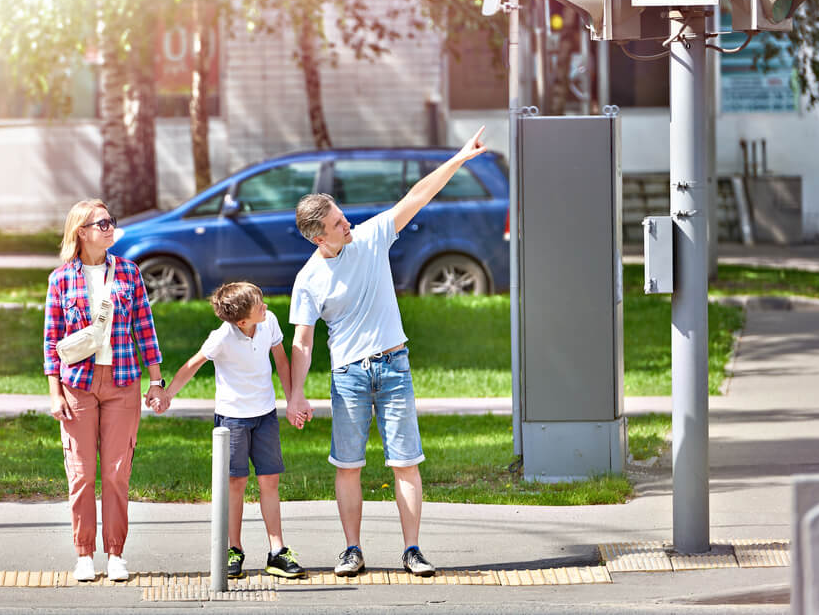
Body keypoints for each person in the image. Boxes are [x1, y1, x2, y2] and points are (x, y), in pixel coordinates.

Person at [286, 127, 488, 578]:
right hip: (348, 376)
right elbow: (302, 341)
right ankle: (351, 550)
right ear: (320, 238)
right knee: (349, 465)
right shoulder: (309, 279)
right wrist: (295, 394)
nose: (348, 223)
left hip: (394, 366)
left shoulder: (373, 235)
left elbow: (417, 195)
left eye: (343, 215)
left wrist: (459, 158)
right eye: (338, 223)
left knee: (405, 463)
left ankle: (413, 549)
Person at [43, 199, 166, 583]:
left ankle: (115, 553)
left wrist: (157, 380)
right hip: (77, 385)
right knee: (80, 474)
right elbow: (51, 341)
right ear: (82, 232)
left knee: (115, 474)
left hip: (122, 381)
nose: (110, 228)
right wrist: (55, 392)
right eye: (102, 223)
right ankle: (84, 554)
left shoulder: (129, 273)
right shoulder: (60, 279)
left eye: (111, 221)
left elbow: (145, 329)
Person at [152, 281, 307, 580]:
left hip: (265, 415)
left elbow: (282, 361)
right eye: (258, 304)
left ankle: (277, 551)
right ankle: (233, 549)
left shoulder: (269, 321)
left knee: (270, 480)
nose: (265, 306)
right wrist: (167, 394)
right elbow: (192, 365)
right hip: (232, 419)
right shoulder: (222, 337)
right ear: (242, 321)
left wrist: (292, 400)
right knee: (235, 483)